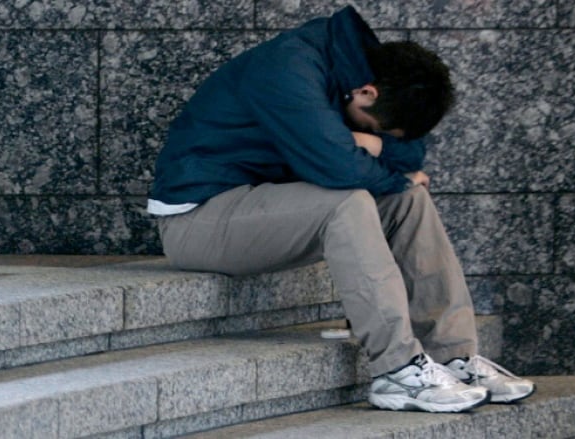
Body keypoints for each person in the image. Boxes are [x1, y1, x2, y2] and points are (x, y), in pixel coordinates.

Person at [147, 5, 535, 413]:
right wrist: (383, 165)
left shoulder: (364, 71)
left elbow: (413, 150)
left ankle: (452, 356)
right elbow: (336, 167)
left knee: (409, 198)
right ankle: (397, 370)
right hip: (198, 220)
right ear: (368, 92)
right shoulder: (289, 70)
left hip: (267, 207)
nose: (367, 134)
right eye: (372, 128)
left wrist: (377, 145)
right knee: (349, 201)